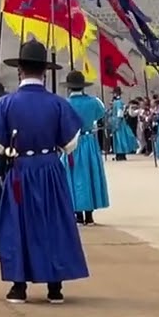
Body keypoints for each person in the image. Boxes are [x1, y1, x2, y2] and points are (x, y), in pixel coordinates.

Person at [0, 40, 87, 304]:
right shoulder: (58, 104)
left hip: (20, 171)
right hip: (50, 168)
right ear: (45, 71)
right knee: (53, 223)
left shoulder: (5, 104)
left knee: (17, 224)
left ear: (20, 70)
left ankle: (19, 286)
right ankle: (55, 287)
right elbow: (70, 143)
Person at [62, 70, 109, 226]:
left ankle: (78, 214)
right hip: (89, 141)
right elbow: (101, 114)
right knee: (89, 174)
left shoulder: (65, 104)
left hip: (71, 141)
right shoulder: (93, 101)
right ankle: (89, 215)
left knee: (74, 176)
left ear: (69, 88)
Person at [108, 88, 137, 160]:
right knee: (118, 138)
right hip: (116, 121)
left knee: (120, 138)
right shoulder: (116, 102)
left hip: (119, 122)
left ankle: (121, 153)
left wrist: (116, 123)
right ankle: (119, 153)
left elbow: (120, 114)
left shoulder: (118, 102)